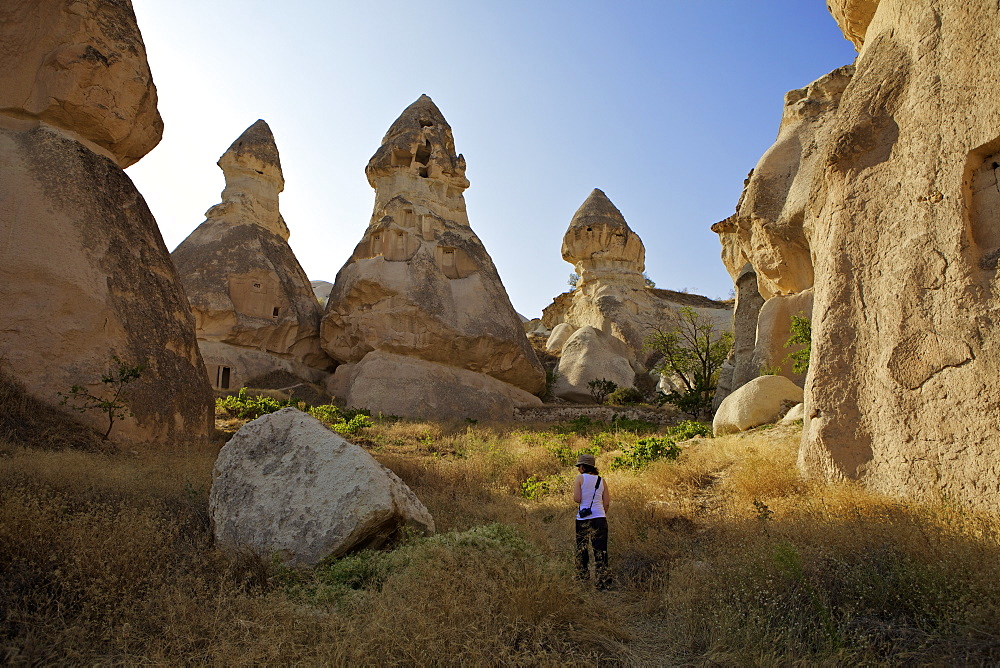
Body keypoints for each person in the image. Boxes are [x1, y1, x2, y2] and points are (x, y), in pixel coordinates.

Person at [573, 453, 611, 589]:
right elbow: (606, 503)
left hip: (583, 519)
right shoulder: (602, 480)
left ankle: (582, 578)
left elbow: (577, 499)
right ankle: (603, 582)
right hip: (600, 519)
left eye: (579, 466)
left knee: (582, 549)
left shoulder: (579, 479)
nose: (578, 469)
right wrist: (600, 513)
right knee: (600, 551)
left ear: (583, 467)